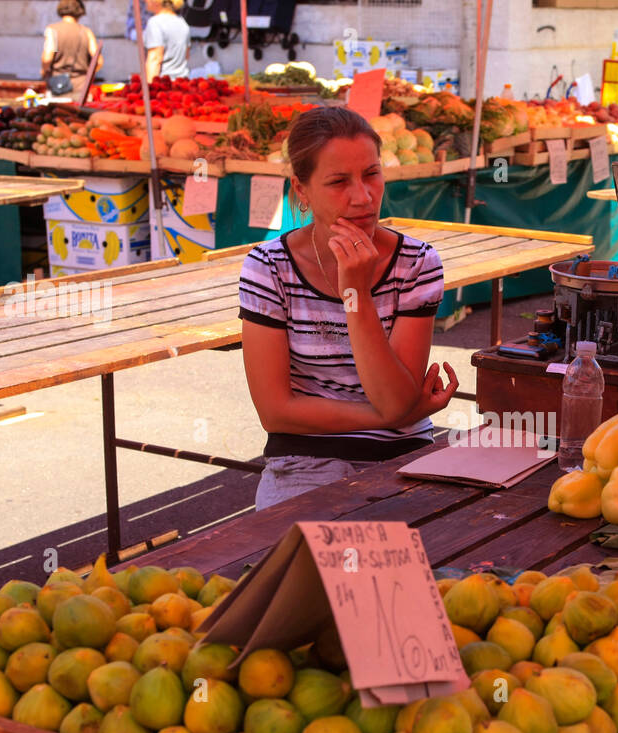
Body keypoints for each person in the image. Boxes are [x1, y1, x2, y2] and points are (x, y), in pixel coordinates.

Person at [238, 107, 458, 511]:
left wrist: (355, 292)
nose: (363, 196)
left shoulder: (416, 263)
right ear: (301, 190)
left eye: (372, 174)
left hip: (402, 456)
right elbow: (275, 413)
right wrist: (390, 418)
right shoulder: (268, 267)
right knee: (302, 566)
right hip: (302, 458)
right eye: (339, 181)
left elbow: (393, 398)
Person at [40, 0, 101, 102]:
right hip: (82, 89)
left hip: (58, 88)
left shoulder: (53, 30)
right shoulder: (86, 32)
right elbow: (98, 61)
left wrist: (44, 71)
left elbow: (48, 57)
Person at [143, 0, 191, 82]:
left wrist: (150, 88)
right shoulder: (182, 22)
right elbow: (186, 55)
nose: (145, 1)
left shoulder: (155, 22)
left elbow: (155, 59)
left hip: (163, 84)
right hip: (182, 82)